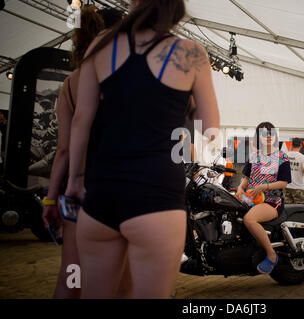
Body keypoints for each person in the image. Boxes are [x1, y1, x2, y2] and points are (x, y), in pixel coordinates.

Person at [65, 0, 220, 298]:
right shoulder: (190, 52)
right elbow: (209, 127)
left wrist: (74, 180)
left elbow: (81, 120)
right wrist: (182, 101)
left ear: (136, 2)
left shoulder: (101, 43)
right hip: (157, 200)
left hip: (101, 197)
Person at [41, 5, 120, 299]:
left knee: (71, 276)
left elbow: (63, 151)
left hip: (77, 196)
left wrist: (50, 198)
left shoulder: (71, 84)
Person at [235, 122, 291, 274]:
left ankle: (272, 255)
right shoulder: (255, 156)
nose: (267, 136)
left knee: (249, 220)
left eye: (270, 133)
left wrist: (263, 187)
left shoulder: (281, 157)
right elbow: (246, 178)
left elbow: (284, 183)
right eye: (263, 133)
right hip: (252, 199)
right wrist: (240, 188)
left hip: (272, 201)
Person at [285, 137, 304, 204]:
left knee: (287, 210)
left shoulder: (285, 155)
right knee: (300, 210)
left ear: (291, 145)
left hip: (286, 186)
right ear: (301, 146)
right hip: (298, 187)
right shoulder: (303, 158)